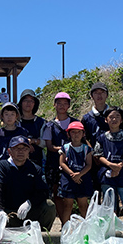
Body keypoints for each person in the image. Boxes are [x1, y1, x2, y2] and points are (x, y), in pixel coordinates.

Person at [93, 106, 123, 231]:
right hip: (106, 174)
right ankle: (111, 230)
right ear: (106, 120)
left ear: (121, 120)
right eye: (111, 117)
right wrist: (111, 165)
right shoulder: (102, 137)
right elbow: (98, 155)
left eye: (117, 117)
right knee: (109, 203)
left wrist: (119, 166)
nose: (114, 119)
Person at [0, 135, 56, 231]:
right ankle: (6, 240)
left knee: (49, 206)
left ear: (29, 151)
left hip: (30, 213)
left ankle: (42, 237)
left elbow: (43, 192)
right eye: (17, 148)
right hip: (10, 212)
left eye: (24, 148)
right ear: (10, 151)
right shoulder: (2, 166)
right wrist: (0, 209)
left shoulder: (35, 168)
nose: (21, 151)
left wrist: (29, 203)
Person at [42, 92, 78, 223]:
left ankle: (71, 221)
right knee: (56, 193)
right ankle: (64, 222)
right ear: (54, 105)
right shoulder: (49, 125)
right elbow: (49, 146)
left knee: (72, 194)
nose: (62, 106)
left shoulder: (76, 122)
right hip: (54, 163)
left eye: (65, 103)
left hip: (74, 164)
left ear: (69, 105)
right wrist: (64, 149)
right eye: (59, 103)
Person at [58, 121, 93, 222]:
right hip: (68, 179)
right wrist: (72, 174)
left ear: (83, 134)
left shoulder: (87, 149)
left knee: (83, 205)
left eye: (79, 132)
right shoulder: (65, 147)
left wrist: (79, 175)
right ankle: (65, 228)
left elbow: (89, 164)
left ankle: (86, 228)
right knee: (67, 206)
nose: (76, 134)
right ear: (68, 134)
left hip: (83, 178)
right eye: (73, 132)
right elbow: (62, 163)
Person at [0, 102, 28, 176]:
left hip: (19, 167)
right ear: (2, 116)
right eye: (6, 114)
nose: (9, 117)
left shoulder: (22, 132)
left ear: (16, 116)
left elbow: (26, 151)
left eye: (12, 114)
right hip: (2, 168)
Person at [17, 89, 46, 169]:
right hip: (17, 162)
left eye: (31, 101)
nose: (28, 103)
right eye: (25, 100)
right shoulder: (16, 122)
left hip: (38, 162)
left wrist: (33, 141)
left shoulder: (41, 122)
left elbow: (45, 143)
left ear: (35, 104)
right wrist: (26, 144)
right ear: (21, 103)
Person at [81, 82, 110, 148]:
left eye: (102, 92)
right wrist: (91, 151)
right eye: (96, 93)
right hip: (93, 156)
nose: (99, 95)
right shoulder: (87, 118)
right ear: (91, 96)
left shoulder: (114, 115)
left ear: (107, 95)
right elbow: (83, 137)